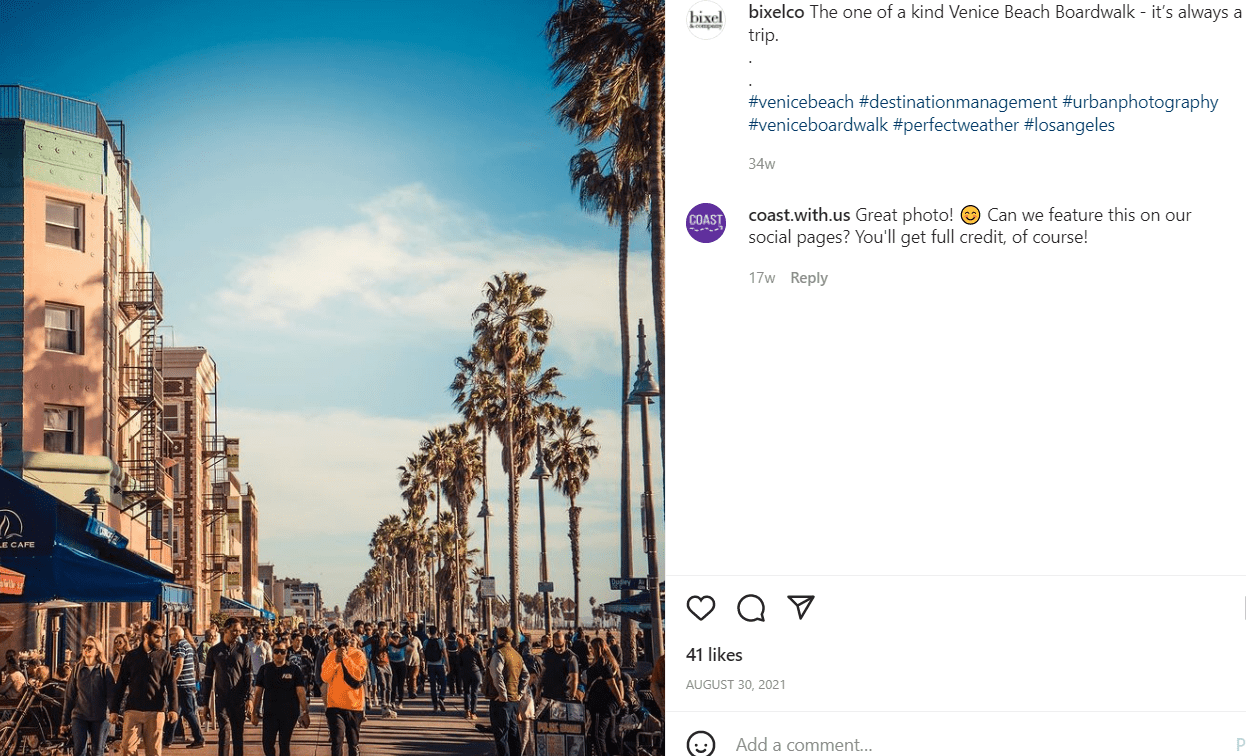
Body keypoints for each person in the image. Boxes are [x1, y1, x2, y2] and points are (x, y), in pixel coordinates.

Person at [109, 621, 177, 756]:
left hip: (156, 710)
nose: (160, 640)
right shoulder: (131, 656)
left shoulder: (165, 656)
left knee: (154, 752)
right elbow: (121, 683)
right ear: (146, 636)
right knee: (127, 749)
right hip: (133, 710)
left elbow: (171, 683)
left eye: (162, 637)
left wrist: (173, 709)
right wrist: (114, 710)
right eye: (156, 636)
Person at [200, 618, 254, 756]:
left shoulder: (243, 649)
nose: (237, 634)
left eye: (239, 631)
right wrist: (205, 703)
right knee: (224, 732)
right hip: (222, 698)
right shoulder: (214, 651)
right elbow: (208, 678)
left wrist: (250, 698)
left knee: (238, 735)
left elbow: (248, 675)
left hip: (239, 698)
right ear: (225, 630)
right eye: (234, 631)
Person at [251, 640, 310, 756]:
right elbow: (258, 692)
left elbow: (301, 692)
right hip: (270, 713)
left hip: (289, 713)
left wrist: (305, 712)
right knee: (267, 744)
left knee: (284, 744)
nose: (279, 654)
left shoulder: (294, 670)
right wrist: (254, 711)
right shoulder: (265, 669)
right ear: (272, 652)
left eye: (282, 652)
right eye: (276, 651)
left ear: (286, 652)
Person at [60, 635, 113, 756]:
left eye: (90, 647)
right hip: (80, 716)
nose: (86, 649)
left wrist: (113, 712)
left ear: (98, 651)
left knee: (97, 751)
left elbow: (111, 694)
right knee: (79, 751)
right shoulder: (77, 669)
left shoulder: (105, 669)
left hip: (100, 717)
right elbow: (69, 697)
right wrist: (64, 722)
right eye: (84, 646)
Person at [320, 630, 367, 756]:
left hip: (354, 706)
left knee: (353, 743)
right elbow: (324, 677)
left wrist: (345, 658)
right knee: (336, 741)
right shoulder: (331, 655)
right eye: (338, 641)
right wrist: (335, 661)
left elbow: (359, 675)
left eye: (344, 641)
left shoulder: (358, 655)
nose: (341, 644)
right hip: (335, 706)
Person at [486, 627, 529, 756]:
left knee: (501, 737)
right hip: (514, 701)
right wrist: (520, 693)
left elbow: (497, 675)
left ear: (498, 637)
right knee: (513, 735)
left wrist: (502, 694)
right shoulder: (517, 655)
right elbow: (525, 675)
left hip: (501, 702)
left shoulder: (499, 654)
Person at [161, 626, 204, 749]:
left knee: (188, 712)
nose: (169, 639)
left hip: (182, 684)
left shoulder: (180, 645)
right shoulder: (187, 645)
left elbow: (179, 663)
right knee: (175, 711)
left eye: (170, 635)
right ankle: (167, 740)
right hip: (186, 684)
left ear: (176, 635)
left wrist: (172, 681)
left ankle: (199, 739)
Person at [583, 638, 625, 756]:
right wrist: (619, 700)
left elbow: (612, 684)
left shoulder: (602, 664)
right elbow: (619, 682)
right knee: (609, 736)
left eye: (591, 648)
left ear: (596, 649)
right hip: (609, 704)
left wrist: (620, 700)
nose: (590, 650)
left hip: (601, 705)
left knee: (597, 735)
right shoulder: (611, 663)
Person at [539, 632, 579, 703]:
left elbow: (574, 679)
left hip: (563, 696)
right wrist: (538, 692)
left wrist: (572, 696)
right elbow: (543, 673)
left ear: (565, 642)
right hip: (547, 694)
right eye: (556, 646)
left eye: (561, 646)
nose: (559, 649)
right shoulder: (548, 654)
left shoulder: (570, 657)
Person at [457, 632, 485, 720]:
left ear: (465, 641)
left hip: (465, 673)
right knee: (474, 693)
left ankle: (466, 711)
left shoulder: (462, 651)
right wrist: (483, 672)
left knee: (466, 692)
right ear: (473, 641)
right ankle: (473, 713)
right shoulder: (476, 651)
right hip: (475, 673)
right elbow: (481, 664)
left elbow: (459, 664)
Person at [423, 627, 448, 713]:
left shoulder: (426, 642)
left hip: (430, 666)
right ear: (437, 632)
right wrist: (448, 665)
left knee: (432, 685)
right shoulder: (441, 641)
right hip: (439, 665)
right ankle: (441, 697)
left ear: (429, 632)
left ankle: (435, 705)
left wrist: (424, 667)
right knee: (444, 682)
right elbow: (445, 654)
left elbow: (424, 656)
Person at [385, 631, 409, 709]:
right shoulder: (389, 646)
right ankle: (392, 701)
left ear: (400, 638)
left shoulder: (402, 646)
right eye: (394, 637)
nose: (395, 638)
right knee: (393, 683)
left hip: (401, 664)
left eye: (397, 637)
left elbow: (411, 648)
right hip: (392, 664)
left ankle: (400, 701)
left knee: (401, 684)